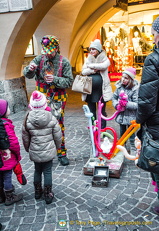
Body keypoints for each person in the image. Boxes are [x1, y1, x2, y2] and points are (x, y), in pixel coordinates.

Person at [23, 35, 73, 166]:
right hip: (42, 98)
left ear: (56, 48)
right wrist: (30, 69)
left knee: (58, 126)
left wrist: (55, 80)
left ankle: (61, 153)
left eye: (50, 51)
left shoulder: (64, 62)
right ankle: (44, 152)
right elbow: (27, 74)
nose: (48, 54)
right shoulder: (39, 59)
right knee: (40, 125)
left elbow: (69, 81)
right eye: (45, 51)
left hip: (58, 98)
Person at [136, 16, 159, 215]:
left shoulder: (154, 59)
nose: (152, 37)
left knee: (157, 164)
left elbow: (146, 101)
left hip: (157, 124)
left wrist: (139, 121)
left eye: (154, 33)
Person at [22, 90, 62, 204]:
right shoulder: (51, 117)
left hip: (35, 151)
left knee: (37, 171)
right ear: (45, 105)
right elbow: (58, 135)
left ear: (31, 106)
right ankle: (48, 193)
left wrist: (27, 148)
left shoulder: (27, 119)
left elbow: (25, 137)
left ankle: (37, 192)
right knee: (48, 171)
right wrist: (58, 147)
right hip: (48, 152)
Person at [81, 39, 113, 128]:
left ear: (98, 50)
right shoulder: (88, 59)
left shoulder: (105, 58)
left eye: (93, 49)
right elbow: (83, 72)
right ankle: (93, 127)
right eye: (90, 49)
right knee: (91, 110)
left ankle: (102, 128)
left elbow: (104, 65)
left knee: (101, 110)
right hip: (89, 90)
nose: (91, 51)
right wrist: (93, 70)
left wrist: (91, 66)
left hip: (101, 90)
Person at [0, 99, 23, 206]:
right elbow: (13, 143)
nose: (9, 109)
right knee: (7, 176)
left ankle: (1, 196)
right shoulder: (6, 126)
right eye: (7, 108)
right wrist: (17, 154)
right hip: (6, 158)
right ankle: (9, 196)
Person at [112, 67, 139, 152]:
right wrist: (117, 105)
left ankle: (133, 148)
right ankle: (122, 146)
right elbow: (114, 98)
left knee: (131, 134)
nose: (123, 79)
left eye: (126, 78)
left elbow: (137, 104)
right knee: (122, 132)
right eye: (122, 77)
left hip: (131, 117)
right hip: (121, 115)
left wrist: (126, 104)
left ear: (131, 79)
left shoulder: (135, 89)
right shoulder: (119, 87)